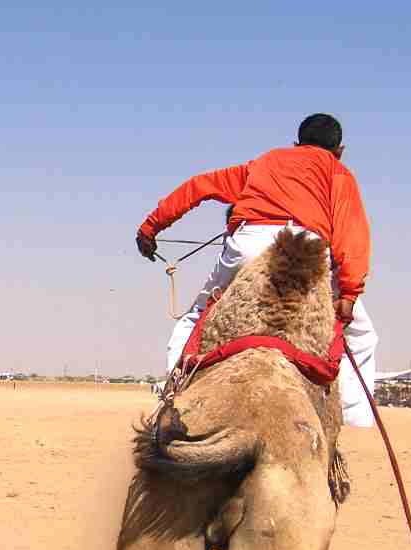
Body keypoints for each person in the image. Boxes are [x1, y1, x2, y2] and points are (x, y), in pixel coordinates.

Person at [135, 113, 377, 427]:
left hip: (248, 245)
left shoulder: (264, 163)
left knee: (195, 318)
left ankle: (173, 399)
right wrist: (349, 293)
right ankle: (354, 423)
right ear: (340, 150)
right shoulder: (338, 172)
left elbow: (199, 186)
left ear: (295, 143)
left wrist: (150, 228)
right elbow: (352, 235)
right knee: (362, 336)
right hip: (304, 249)